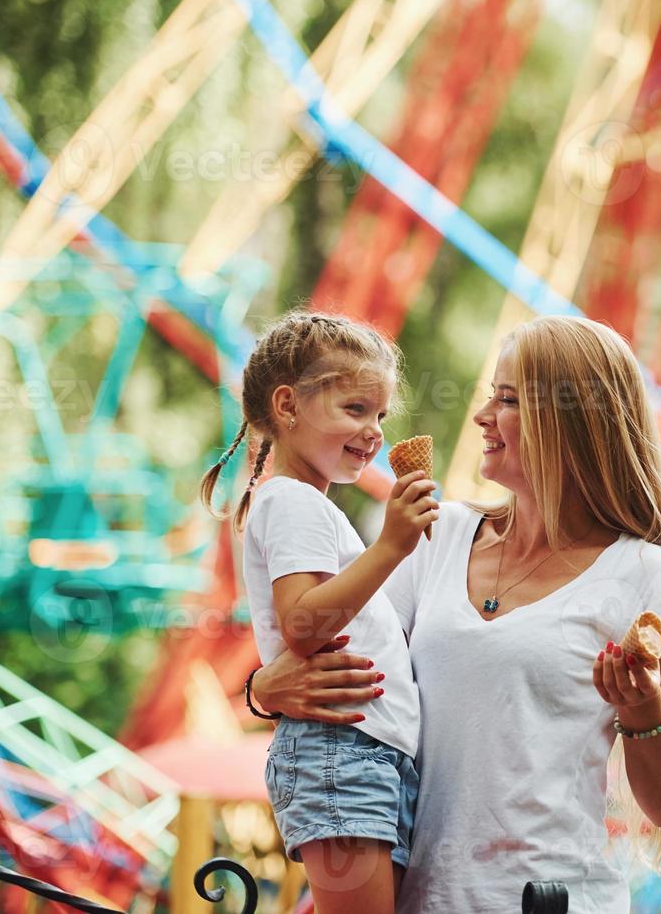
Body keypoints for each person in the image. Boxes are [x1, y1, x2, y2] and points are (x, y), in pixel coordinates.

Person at [250, 315, 661, 911]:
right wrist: (263, 689)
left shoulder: (647, 575)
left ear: (570, 423)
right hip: (418, 897)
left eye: (506, 400)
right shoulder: (434, 536)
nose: (481, 417)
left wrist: (641, 713)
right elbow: (343, 659)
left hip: (549, 899)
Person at [200, 311, 439, 914]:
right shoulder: (293, 503)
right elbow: (302, 626)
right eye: (355, 410)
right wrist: (391, 547)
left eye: (379, 415)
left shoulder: (304, 506)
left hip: (362, 753)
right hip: (342, 753)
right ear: (288, 406)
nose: (375, 431)